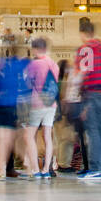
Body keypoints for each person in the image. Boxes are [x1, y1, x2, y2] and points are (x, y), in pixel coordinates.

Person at [76, 17, 101, 180]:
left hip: (90, 92)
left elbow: (82, 73)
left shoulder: (84, 49)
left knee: (92, 131)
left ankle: (95, 168)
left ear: (82, 33)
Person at [0, 40, 26, 180]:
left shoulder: (11, 74)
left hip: (10, 109)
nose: (1, 64)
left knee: (9, 139)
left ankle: (8, 168)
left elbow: (21, 63)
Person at [22, 37, 59, 178]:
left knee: (29, 136)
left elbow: (27, 84)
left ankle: (36, 169)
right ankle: (46, 170)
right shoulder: (53, 63)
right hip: (51, 104)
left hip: (38, 103)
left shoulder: (35, 64)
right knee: (47, 136)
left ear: (36, 49)